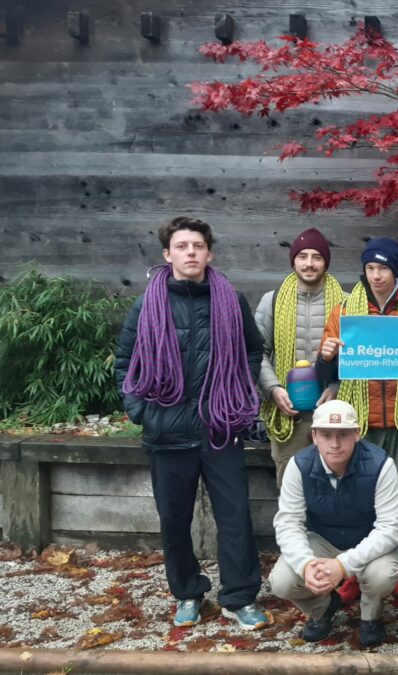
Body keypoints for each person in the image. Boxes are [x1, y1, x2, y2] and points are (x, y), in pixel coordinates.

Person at [114, 217, 268, 630]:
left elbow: (254, 351)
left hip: (220, 429)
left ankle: (239, 596)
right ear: (168, 254)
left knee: (235, 517)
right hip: (167, 432)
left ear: (209, 252)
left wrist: (236, 388)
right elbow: (125, 364)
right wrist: (142, 412)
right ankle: (187, 592)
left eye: (197, 246)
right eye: (182, 246)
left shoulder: (229, 299)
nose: (191, 253)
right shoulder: (148, 303)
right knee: (175, 520)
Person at [317, 237, 398, 509]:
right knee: (364, 490)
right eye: (370, 268)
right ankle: (365, 549)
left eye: (383, 268)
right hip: (363, 420)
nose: (376, 275)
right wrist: (327, 356)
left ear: (395, 270)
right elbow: (327, 373)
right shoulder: (345, 310)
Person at [269, 399, 398, 646]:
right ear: (314, 436)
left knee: (383, 575)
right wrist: (306, 565)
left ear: (357, 434)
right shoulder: (298, 466)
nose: (334, 443)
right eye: (326, 434)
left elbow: (390, 527)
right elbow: (289, 521)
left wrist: (343, 565)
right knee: (282, 581)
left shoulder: (381, 464)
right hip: (323, 539)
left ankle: (370, 616)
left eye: (343, 434)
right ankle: (323, 608)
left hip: (368, 538)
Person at [255, 228, 343, 487]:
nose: (309, 263)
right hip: (288, 413)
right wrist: (273, 389)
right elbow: (258, 352)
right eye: (302, 256)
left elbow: (357, 358)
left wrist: (336, 387)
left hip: (331, 411)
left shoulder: (346, 304)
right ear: (293, 261)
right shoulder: (272, 301)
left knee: (335, 484)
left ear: (325, 262)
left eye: (317, 257)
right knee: (291, 486)